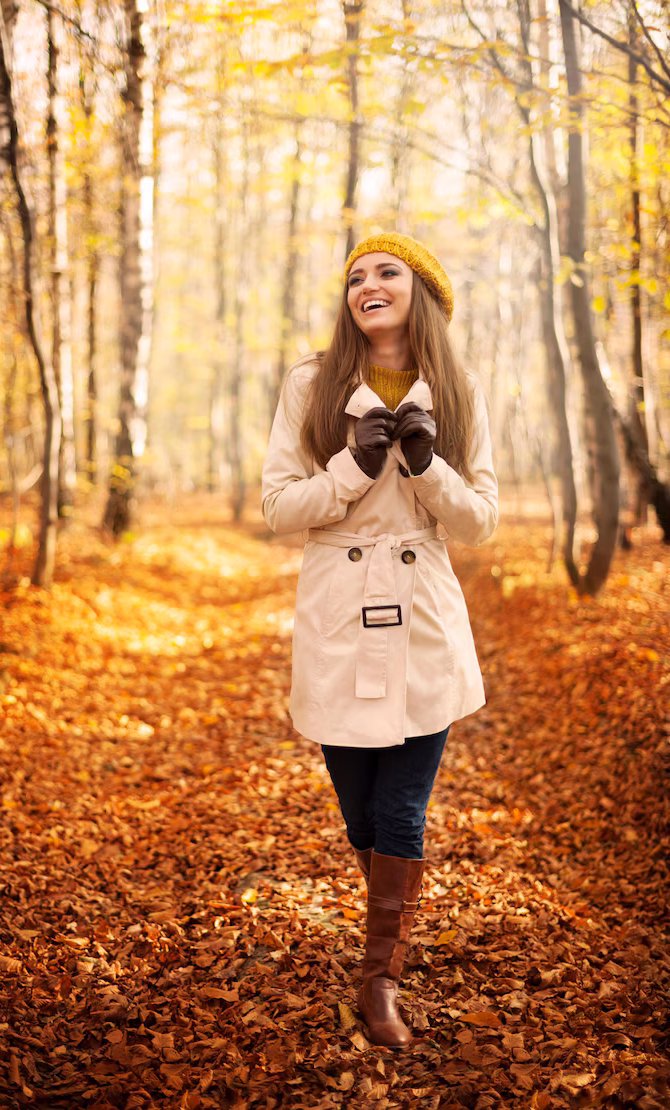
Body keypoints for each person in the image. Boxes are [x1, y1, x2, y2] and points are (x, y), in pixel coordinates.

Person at [261, 232, 498, 1048]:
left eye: (387, 271)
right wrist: (349, 472)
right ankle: (389, 924)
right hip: (336, 612)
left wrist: (429, 467)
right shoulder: (311, 383)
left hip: (422, 614)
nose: (368, 283)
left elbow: (483, 522)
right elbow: (279, 508)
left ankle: (380, 980)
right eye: (357, 275)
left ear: (420, 290)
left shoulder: (459, 388)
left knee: (402, 808)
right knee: (359, 813)